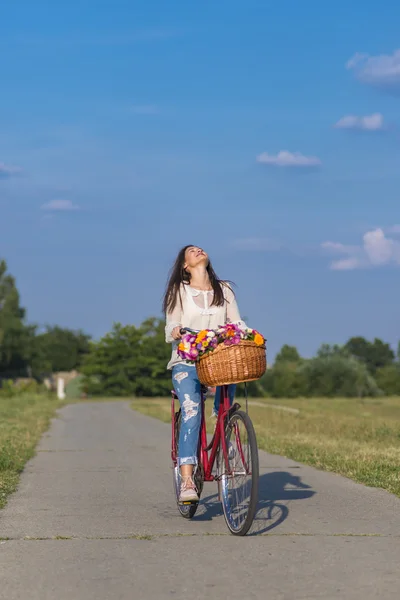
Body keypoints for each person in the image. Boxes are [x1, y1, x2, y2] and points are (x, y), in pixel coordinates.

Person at [163, 245, 246, 502]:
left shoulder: (225, 290)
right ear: (185, 265)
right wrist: (177, 330)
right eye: (191, 251)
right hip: (186, 362)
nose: (198, 250)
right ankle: (187, 479)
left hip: (219, 361)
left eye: (200, 248)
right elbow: (171, 325)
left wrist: (244, 333)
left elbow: (236, 321)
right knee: (191, 411)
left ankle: (225, 438)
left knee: (226, 396)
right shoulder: (179, 291)